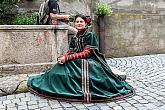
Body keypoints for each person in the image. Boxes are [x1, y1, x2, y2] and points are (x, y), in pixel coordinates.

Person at [27, 14, 134, 102]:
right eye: (77, 22)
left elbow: (86, 53)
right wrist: (64, 56)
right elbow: (72, 50)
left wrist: (68, 58)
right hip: (76, 59)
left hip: (91, 61)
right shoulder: (75, 36)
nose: (79, 23)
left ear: (85, 23)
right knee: (58, 69)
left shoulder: (90, 35)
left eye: (81, 22)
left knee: (80, 70)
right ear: (74, 23)